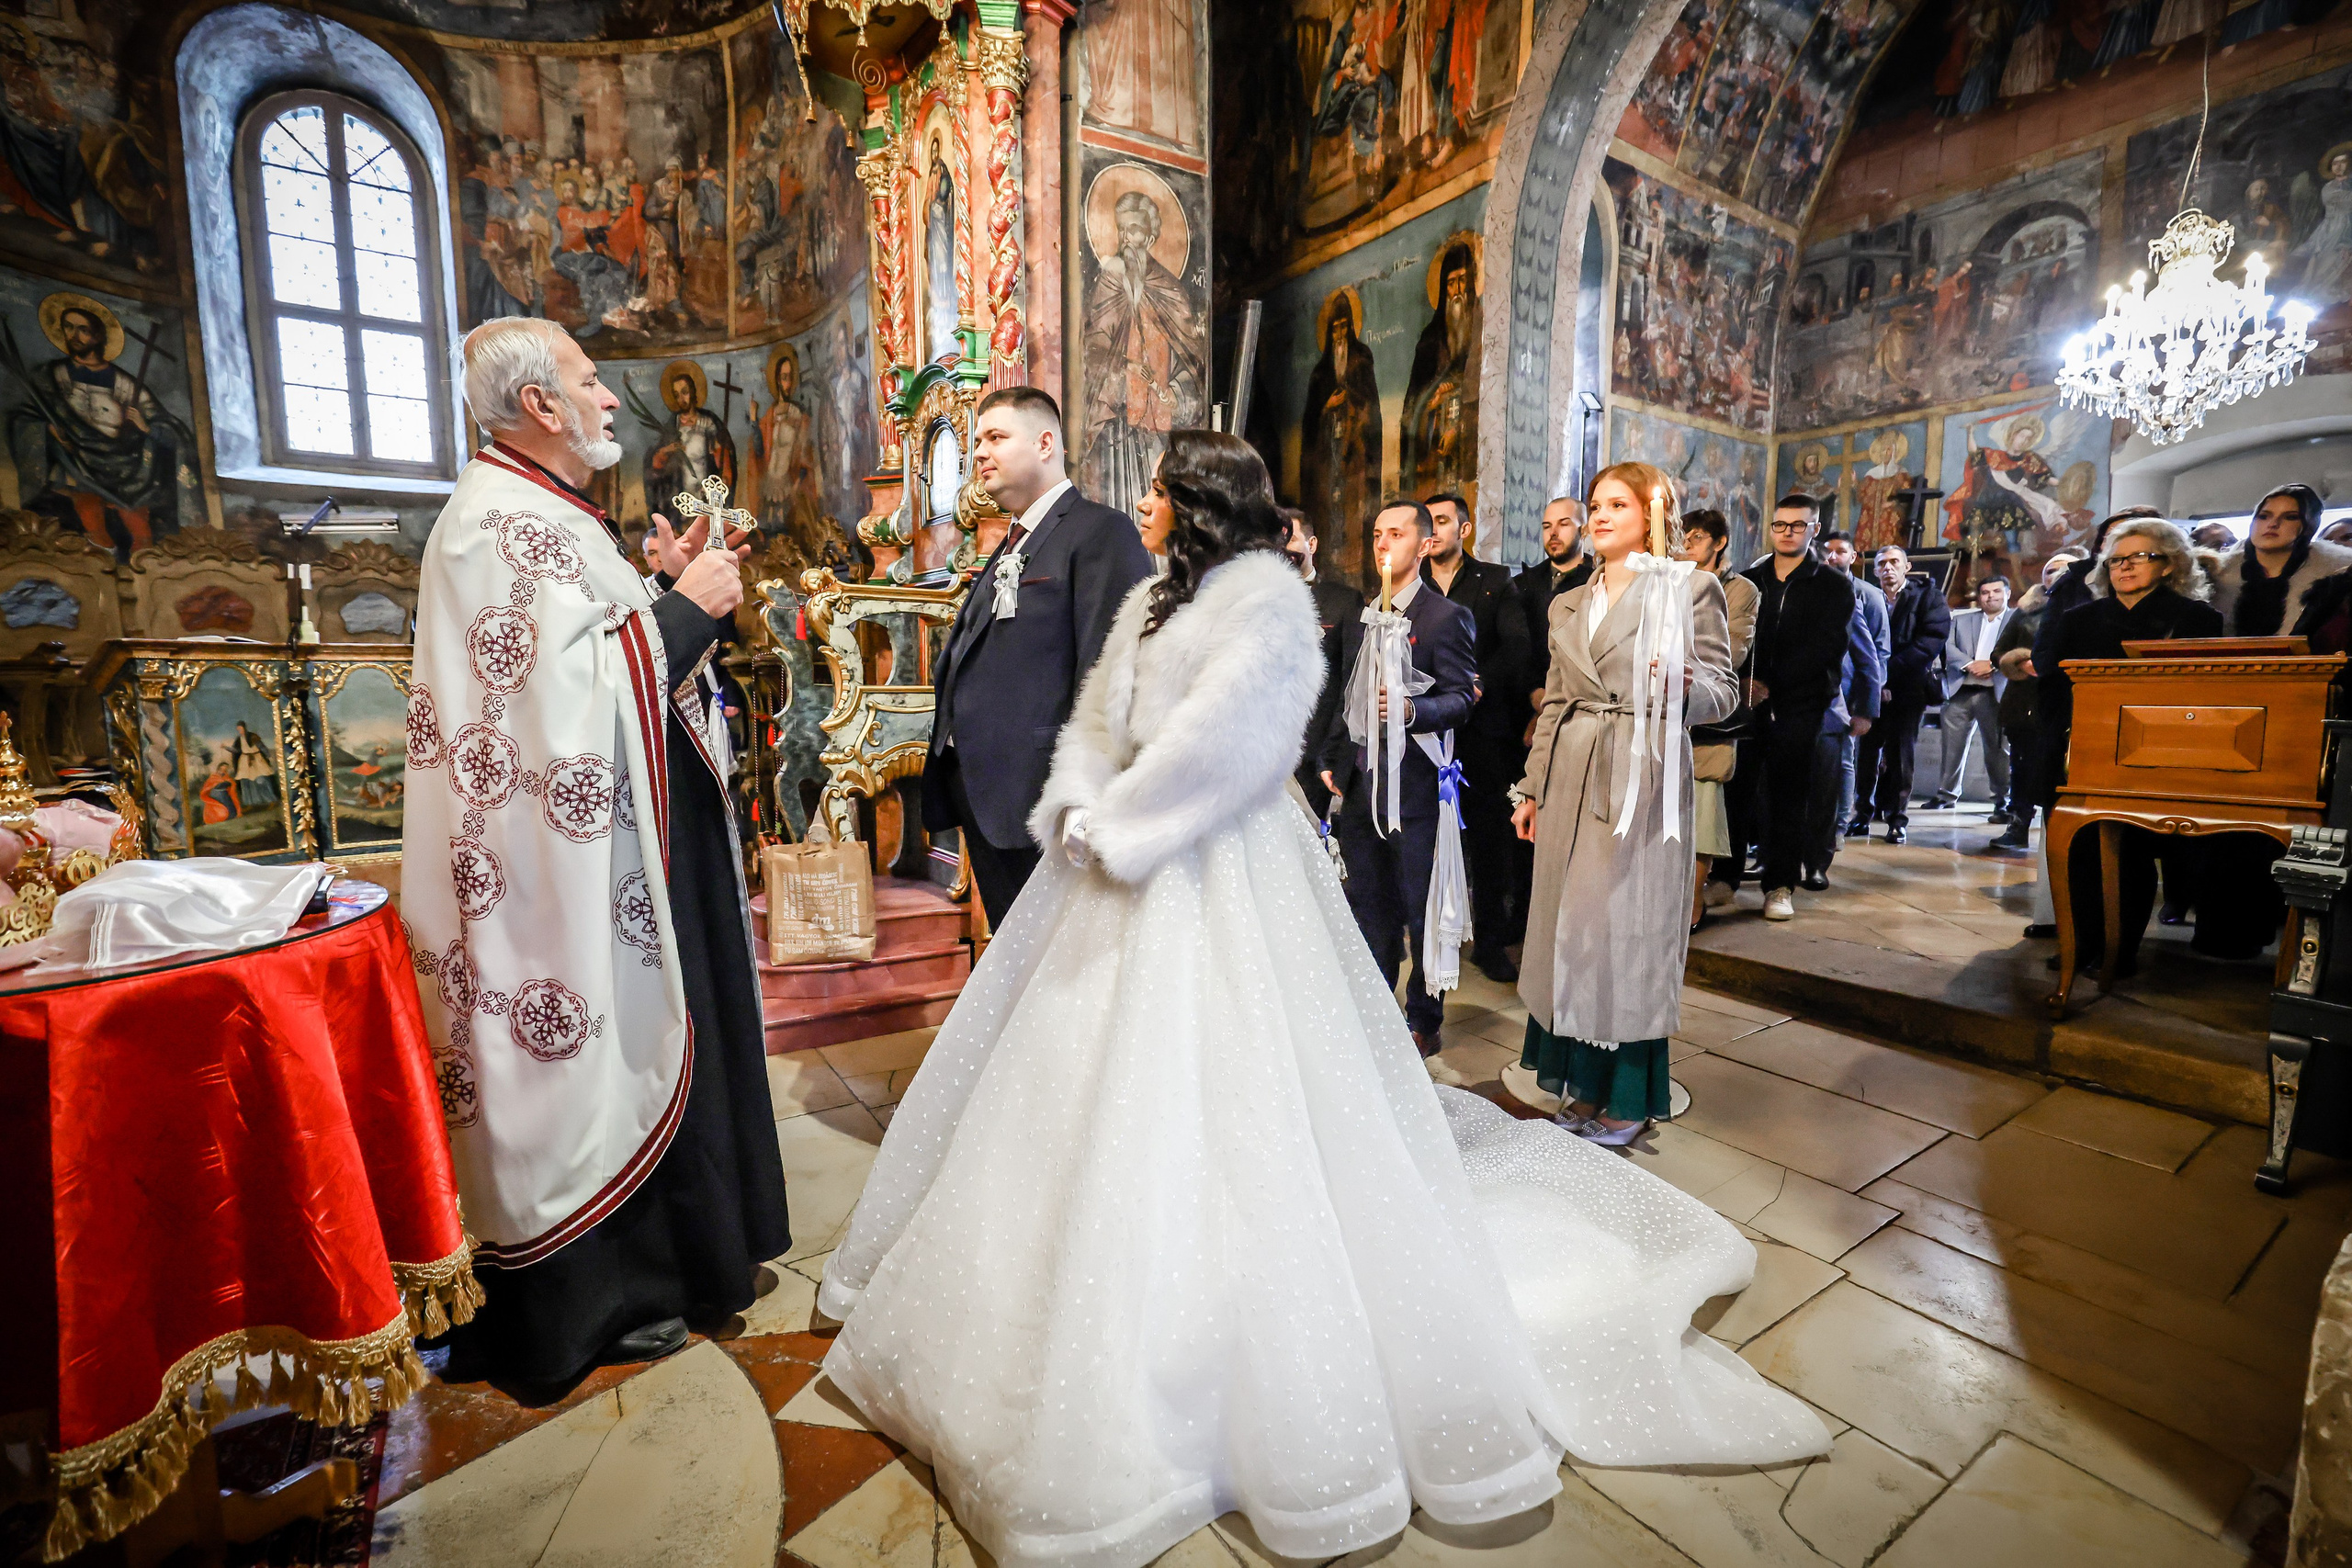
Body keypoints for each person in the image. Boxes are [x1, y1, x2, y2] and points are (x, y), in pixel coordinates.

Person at [814, 432, 1826, 1568]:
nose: (1142, 503)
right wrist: (1083, 802)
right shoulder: (1151, 596)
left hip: (1212, 863)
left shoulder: (1268, 604)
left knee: (1239, 1085)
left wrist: (1132, 823)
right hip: (1112, 861)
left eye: (1157, 487)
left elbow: (1235, 743)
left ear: (1197, 502)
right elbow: (1101, 715)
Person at [406, 317, 789, 1383]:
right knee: (585, 1060)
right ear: (539, 406)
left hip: (627, 848)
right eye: (589, 381)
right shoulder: (495, 525)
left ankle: (671, 1268)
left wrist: (675, 602)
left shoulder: (546, 515)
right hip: (557, 881)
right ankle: (603, 1296)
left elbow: (591, 666)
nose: (612, 399)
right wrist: (682, 613)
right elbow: (547, 713)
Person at [1514, 463, 1738, 1141]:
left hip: (1639, 776)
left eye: (1618, 503)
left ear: (1652, 514)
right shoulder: (1567, 604)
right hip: (1570, 777)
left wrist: (1679, 685)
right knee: (1571, 932)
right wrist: (1529, 788)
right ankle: (1580, 1086)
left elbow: (1724, 692)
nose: (1600, 514)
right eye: (1595, 503)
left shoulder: (1689, 589)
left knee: (1626, 933)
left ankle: (1631, 1095)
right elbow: (1556, 700)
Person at [922, 387, 1155, 928]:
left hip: (1041, 790)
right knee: (1016, 951)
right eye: (976, 441)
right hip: (988, 790)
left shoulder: (1099, 532)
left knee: (1055, 958)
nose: (979, 452)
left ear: (1045, 442)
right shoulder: (1014, 541)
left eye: (996, 438)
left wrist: (1085, 787)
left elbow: (1106, 667)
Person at [2040, 519, 2233, 974]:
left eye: (2139, 557)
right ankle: (2084, 942)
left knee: (2131, 852)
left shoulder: (2197, 619)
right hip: (2082, 747)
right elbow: (2052, 684)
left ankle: (2120, 949)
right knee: (2079, 851)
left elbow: (2201, 694)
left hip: (2154, 752)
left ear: (2169, 564)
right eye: (2117, 560)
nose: (2125, 567)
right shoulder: (2078, 619)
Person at [1320, 499, 1478, 1053]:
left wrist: (1415, 711)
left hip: (1415, 787)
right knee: (1368, 902)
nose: (1383, 543)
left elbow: (1462, 698)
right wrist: (1335, 764)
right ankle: (1370, 1002)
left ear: (1425, 544)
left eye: (1396, 533)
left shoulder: (1445, 617)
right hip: (1366, 788)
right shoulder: (1368, 614)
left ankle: (1422, 1020)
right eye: (1377, 534)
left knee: (1419, 907)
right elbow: (1351, 699)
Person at [1422, 491, 1531, 981]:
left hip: (1483, 731)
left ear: (1463, 530)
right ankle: (1431, 937)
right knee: (1427, 834)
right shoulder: (1409, 583)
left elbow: (1516, 646)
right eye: (1429, 522)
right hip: (1426, 727)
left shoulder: (1494, 581)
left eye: (1443, 521)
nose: (1435, 529)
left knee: (1488, 839)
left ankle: (1489, 942)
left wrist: (1475, 683)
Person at [1736, 493, 1855, 920]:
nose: (1788, 533)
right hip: (1746, 701)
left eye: (1798, 526)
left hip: (1799, 706)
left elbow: (1825, 649)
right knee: (1739, 792)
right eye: (1780, 525)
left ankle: (1781, 885)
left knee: (1788, 797)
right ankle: (1725, 877)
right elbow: (1738, 639)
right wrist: (1746, 681)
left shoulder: (1833, 585)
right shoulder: (1750, 579)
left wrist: (1772, 684)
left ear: (1814, 530)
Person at [1676, 510, 1758, 924]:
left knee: (1703, 811)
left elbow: (1733, 649)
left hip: (1708, 713)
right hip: (1664, 715)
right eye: (1681, 535)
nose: (1686, 543)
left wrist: (1678, 656)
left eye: (1695, 536)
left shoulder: (1740, 589)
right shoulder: (1666, 578)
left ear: (1719, 542)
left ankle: (1692, 905)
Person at [1850, 545, 1949, 844]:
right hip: (1870, 690)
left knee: (1901, 755)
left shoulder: (1928, 597)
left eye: (1894, 562)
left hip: (1907, 690)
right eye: (1882, 564)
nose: (1888, 568)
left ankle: (1897, 819)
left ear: (1907, 567)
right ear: (1875, 570)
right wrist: (1875, 683)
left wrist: (1885, 676)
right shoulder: (1867, 595)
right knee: (1865, 756)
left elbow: (1928, 643)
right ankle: (1863, 815)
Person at [1985, 550, 2081, 854]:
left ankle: (2061, 832)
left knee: (2057, 768)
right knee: (2022, 765)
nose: (2053, 575)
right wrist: (2022, 662)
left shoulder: (2083, 607)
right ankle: (2018, 825)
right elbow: (1998, 652)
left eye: (2061, 570)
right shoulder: (2026, 609)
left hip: (2066, 701)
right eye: (2049, 570)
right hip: (2024, 701)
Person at [1801, 551, 1884, 891]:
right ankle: (1778, 858)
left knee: (1823, 793)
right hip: (1784, 709)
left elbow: (1869, 659)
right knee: (1783, 791)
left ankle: (1818, 863)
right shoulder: (1776, 597)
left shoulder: (1843, 602)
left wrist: (1865, 711)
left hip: (1828, 710)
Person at [1283, 506, 1364, 815]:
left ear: (1312, 544)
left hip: (1312, 748)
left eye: (1291, 538)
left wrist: (1330, 753)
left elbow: (1349, 680)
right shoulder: (1256, 597)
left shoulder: (1342, 600)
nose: (1282, 548)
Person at [1818, 530, 1890, 855]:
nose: (1833, 557)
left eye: (1840, 551)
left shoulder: (1867, 596)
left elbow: (1875, 652)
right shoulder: (1813, 586)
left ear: (1853, 556)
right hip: (1817, 689)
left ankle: (1838, 826)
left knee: (1844, 761)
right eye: (1827, 551)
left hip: (1845, 692)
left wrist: (1867, 703)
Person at [2211, 485, 2351, 637]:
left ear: (2310, 526)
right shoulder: (2216, 574)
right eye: (2264, 516)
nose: (2273, 524)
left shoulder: (2337, 577)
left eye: (2290, 517)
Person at [1928, 575, 2013, 814]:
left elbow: (2019, 647)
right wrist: (1969, 664)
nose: (1990, 596)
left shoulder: (2016, 619)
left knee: (1997, 750)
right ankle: (1946, 795)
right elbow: (1947, 646)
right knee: (1951, 748)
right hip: (1960, 691)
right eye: (1985, 592)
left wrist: (1992, 665)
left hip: (1995, 692)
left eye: (1996, 591)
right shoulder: (1962, 620)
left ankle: (2002, 799)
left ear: (2008, 593)